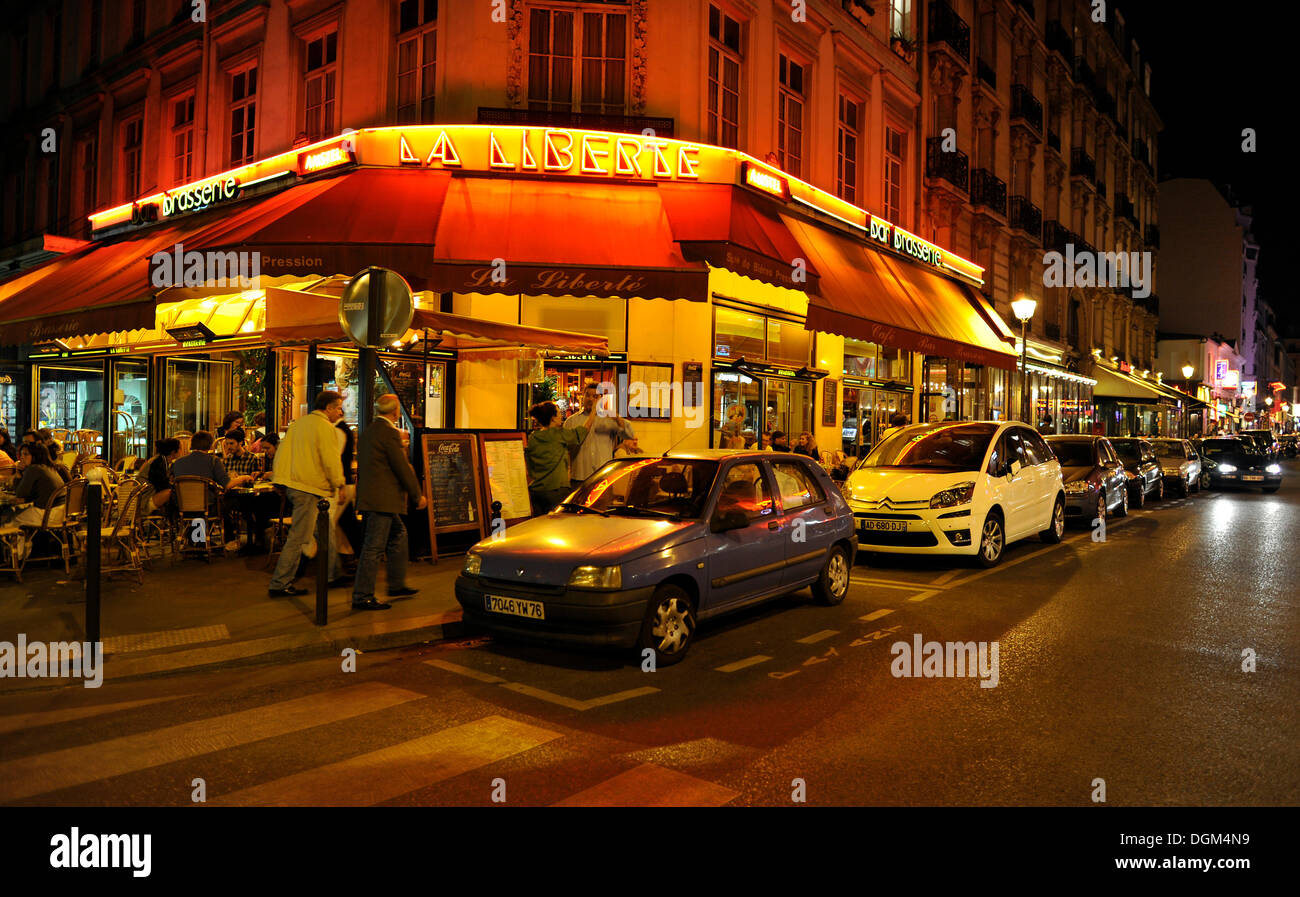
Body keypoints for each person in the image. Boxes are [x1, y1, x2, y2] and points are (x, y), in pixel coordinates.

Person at [351, 394, 427, 611]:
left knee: (398, 535)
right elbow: (401, 467)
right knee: (373, 547)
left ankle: (396, 583)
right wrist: (417, 495)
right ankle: (362, 595)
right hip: (382, 500)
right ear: (395, 412)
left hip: (371, 497)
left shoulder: (368, 432)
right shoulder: (389, 433)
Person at [267, 391, 348, 596]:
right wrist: (340, 484)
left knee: (324, 531)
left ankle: (334, 573)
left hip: (297, 486)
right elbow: (331, 460)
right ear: (328, 408)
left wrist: (280, 479)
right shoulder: (324, 427)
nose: (341, 411)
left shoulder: (298, 425)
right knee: (298, 537)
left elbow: (282, 452)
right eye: (338, 407)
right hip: (308, 488)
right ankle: (280, 583)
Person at [526, 400, 594, 515]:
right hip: (556, 490)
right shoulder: (559, 434)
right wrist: (593, 413)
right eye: (558, 414)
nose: (561, 416)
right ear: (552, 418)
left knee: (539, 525)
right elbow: (581, 432)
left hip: (536, 491)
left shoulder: (533, 437)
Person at [563, 383, 634, 488]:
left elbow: (629, 434)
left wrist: (618, 418)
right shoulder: (571, 421)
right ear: (582, 397)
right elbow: (566, 448)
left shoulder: (608, 419)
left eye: (595, 396)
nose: (591, 399)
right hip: (579, 476)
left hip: (603, 477)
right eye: (587, 395)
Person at [11, 442, 66, 535]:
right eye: (21, 454)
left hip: (48, 514)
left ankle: (21, 549)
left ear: (36, 455)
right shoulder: (49, 467)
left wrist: (18, 473)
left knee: (9, 518)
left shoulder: (34, 469)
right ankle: (26, 547)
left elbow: (19, 494)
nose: (21, 457)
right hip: (61, 512)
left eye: (26, 454)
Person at [140, 438, 181, 509]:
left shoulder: (161, 460)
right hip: (144, 501)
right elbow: (161, 485)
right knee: (173, 493)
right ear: (173, 452)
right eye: (180, 448)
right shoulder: (158, 462)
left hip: (145, 496)